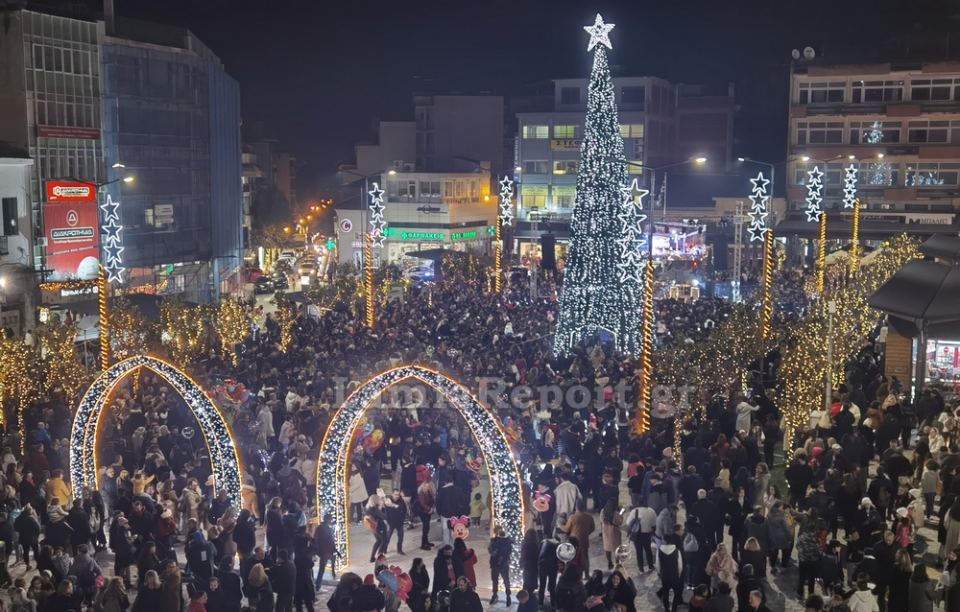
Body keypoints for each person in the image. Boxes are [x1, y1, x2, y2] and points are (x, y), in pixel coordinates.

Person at [625, 502, 656, 572]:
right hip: (647, 535)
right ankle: (650, 566)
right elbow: (654, 524)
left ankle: (641, 568)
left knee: (639, 552)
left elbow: (628, 523)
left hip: (637, 535)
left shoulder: (634, 511)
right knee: (648, 550)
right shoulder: (651, 511)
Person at [657, 538, 684, 612]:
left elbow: (658, 564)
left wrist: (659, 573)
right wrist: (679, 574)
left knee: (665, 593)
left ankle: (666, 608)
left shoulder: (659, 551)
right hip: (674, 575)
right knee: (677, 593)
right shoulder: (677, 551)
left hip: (664, 575)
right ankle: (674, 609)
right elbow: (680, 566)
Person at [488, 525, 512, 606]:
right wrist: (494, 552)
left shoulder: (506, 540)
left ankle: (508, 596)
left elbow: (509, 550)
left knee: (506, 580)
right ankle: (495, 595)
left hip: (503, 563)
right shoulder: (494, 540)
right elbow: (490, 550)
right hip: (495, 563)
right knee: (495, 580)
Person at [601, 498, 623, 570]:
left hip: (606, 532)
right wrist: (621, 513)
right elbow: (620, 522)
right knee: (617, 548)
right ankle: (617, 562)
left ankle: (609, 562)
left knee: (607, 548)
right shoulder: (616, 513)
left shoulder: (603, 511)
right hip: (615, 532)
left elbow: (601, 520)